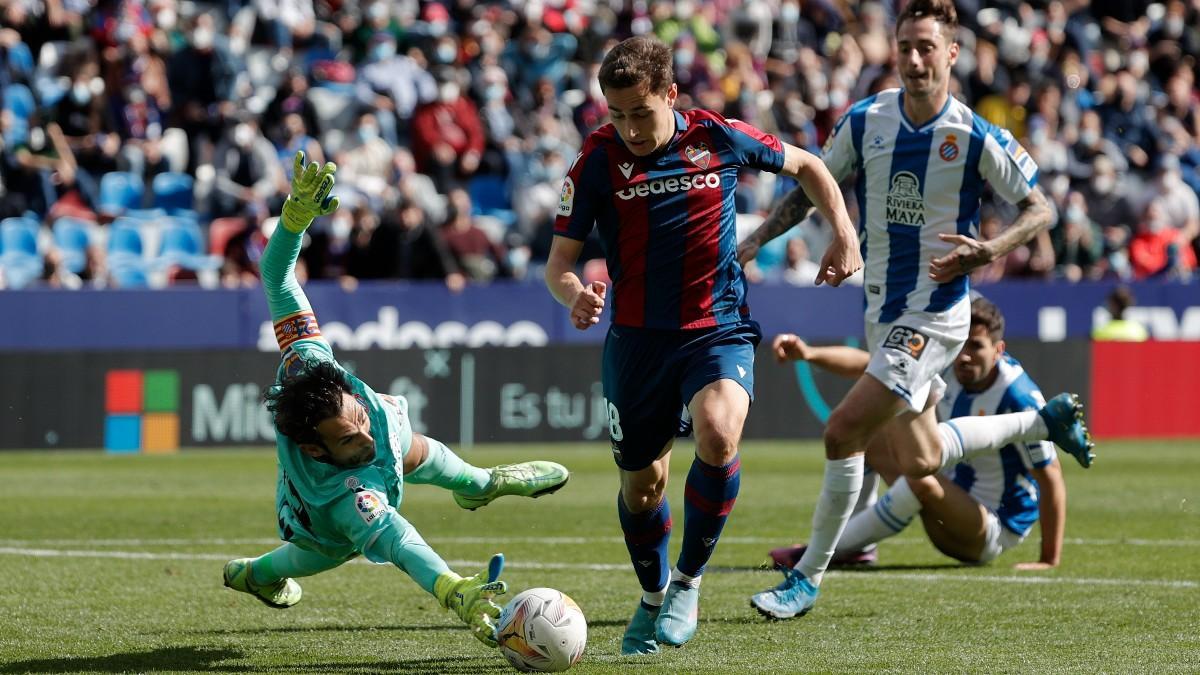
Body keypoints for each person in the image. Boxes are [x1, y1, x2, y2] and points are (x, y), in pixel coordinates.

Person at [738, 0, 1094, 620]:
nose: (914, 58)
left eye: (927, 46)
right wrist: (750, 243)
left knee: (843, 431)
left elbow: (1040, 209)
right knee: (922, 458)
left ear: (952, 53)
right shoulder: (863, 120)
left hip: (936, 316)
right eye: (905, 46)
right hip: (882, 313)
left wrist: (990, 248)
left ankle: (807, 579)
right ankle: (1041, 423)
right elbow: (813, 190)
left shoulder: (976, 135)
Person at [544, 35, 862, 654]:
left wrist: (843, 234)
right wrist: (574, 293)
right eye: (617, 114)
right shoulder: (597, 161)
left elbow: (811, 166)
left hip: (717, 327)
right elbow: (559, 264)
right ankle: (653, 594)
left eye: (642, 112)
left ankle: (688, 580)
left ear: (670, 94)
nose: (631, 128)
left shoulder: (715, 135)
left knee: (718, 431)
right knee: (644, 488)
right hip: (637, 342)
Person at [223, 152, 570, 648]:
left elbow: (277, 275)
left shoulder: (311, 361)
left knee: (402, 441)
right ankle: (255, 574)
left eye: (357, 418)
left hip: (362, 438)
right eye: (347, 436)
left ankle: (480, 483)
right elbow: (402, 542)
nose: (364, 433)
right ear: (319, 451)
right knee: (322, 553)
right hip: (321, 519)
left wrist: (295, 217)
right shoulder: (344, 500)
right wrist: (455, 591)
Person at [766, 297, 1073, 572]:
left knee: (920, 479)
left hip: (991, 529)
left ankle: (817, 554)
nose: (965, 357)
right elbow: (872, 367)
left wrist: (1049, 559)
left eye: (976, 346)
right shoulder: (951, 363)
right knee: (863, 434)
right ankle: (858, 549)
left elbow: (1051, 478)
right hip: (950, 490)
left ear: (998, 350)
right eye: (962, 344)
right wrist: (809, 354)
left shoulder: (1018, 397)